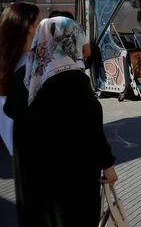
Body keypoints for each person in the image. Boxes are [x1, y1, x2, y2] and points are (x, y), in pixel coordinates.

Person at [4, 17, 117, 226]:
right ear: (69, 40)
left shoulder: (24, 74)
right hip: (70, 179)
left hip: (33, 179)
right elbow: (91, 128)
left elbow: (10, 110)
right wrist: (108, 166)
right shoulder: (73, 80)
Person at [0, 2, 40, 157]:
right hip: (36, 149)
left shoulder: (7, 63)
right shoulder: (36, 64)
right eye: (38, 23)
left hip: (16, 150)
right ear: (29, 26)